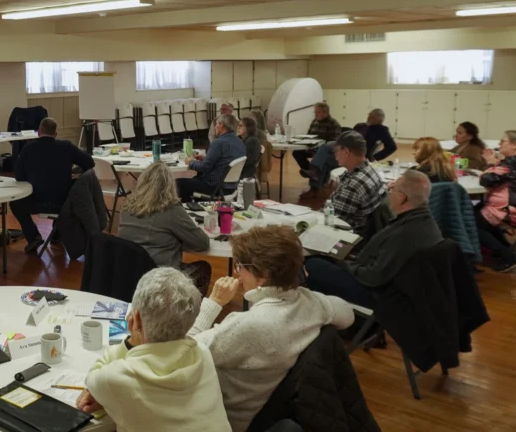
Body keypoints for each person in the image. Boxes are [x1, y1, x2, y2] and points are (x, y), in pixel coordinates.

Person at [187, 225, 354, 432]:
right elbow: (348, 315)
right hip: (266, 410)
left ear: (263, 274)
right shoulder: (310, 303)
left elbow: (179, 354)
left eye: (241, 266)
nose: (237, 273)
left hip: (221, 419)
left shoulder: (248, 326)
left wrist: (213, 302)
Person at [76, 267, 231, 432]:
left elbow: (93, 379)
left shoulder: (117, 377)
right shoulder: (203, 353)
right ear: (191, 321)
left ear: (135, 319)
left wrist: (131, 342)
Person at [306, 170, 442, 308]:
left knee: (312, 264)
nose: (390, 193)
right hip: (395, 286)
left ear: (402, 198)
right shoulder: (423, 222)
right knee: (327, 257)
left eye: (392, 189)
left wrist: (344, 264)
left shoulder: (406, 234)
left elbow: (374, 277)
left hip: (380, 295)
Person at [119, 163, 212, 291]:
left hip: (129, 274)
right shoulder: (170, 209)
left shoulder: (126, 207)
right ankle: (187, 309)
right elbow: (202, 243)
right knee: (203, 268)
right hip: (160, 280)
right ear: (170, 186)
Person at [12, 117, 95, 254]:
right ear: (56, 134)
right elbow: (89, 163)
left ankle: (33, 237)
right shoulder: (66, 146)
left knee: (15, 203)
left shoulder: (28, 148)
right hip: (63, 203)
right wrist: (74, 170)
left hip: (36, 201)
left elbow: (19, 177)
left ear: (38, 132)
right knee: (66, 189)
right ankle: (57, 234)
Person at [476, 130, 516, 272]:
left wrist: (491, 165)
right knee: (478, 212)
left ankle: (509, 256)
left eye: (503, 141)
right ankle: (506, 250)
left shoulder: (509, 163)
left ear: (515, 144)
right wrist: (496, 164)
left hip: (514, 212)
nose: (499, 143)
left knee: (470, 221)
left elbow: (487, 180)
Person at [177, 114, 246, 201]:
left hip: (214, 186)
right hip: (231, 187)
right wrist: (206, 158)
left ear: (221, 125)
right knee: (194, 180)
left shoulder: (218, 143)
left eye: (216, 124)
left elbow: (204, 167)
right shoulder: (240, 143)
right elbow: (225, 160)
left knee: (180, 183)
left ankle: (189, 208)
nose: (215, 127)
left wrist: (190, 162)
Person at [328, 131, 386, 232]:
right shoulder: (371, 170)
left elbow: (334, 223)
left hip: (347, 234)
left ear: (346, 151)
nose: (335, 155)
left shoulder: (352, 186)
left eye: (336, 151)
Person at [291, 102, 341, 175]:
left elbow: (335, 142)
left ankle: (314, 172)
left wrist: (321, 145)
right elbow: (309, 135)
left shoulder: (333, 123)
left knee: (320, 151)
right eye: (315, 112)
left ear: (325, 112)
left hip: (324, 150)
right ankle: (312, 172)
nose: (315, 114)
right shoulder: (315, 121)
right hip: (312, 147)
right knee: (297, 152)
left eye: (318, 112)